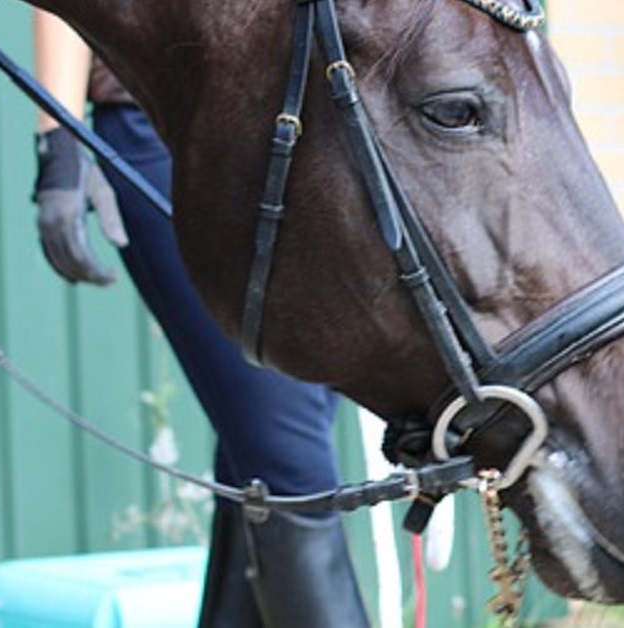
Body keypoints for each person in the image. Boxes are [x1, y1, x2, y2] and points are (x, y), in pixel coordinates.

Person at [31, 10, 370, 627]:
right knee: (288, 456)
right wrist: (58, 140)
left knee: (263, 455)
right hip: (161, 122)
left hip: (296, 131)